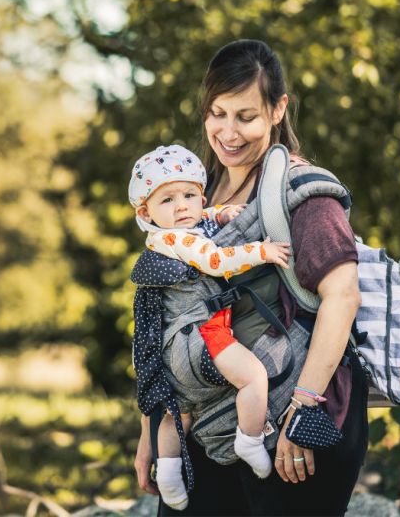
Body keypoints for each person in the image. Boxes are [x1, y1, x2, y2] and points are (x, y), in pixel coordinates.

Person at [132, 40, 368, 516]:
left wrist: (303, 412)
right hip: (206, 422)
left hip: (290, 420)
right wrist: (151, 428)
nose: (227, 131)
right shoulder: (198, 196)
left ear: (278, 109)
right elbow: (162, 310)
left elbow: (342, 296)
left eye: (245, 116)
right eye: (217, 113)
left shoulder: (303, 190)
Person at [128, 144, 293, 510]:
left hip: (174, 350)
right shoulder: (178, 239)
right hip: (203, 336)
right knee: (253, 378)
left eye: (190, 195)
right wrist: (261, 252)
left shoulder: (165, 235)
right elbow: (216, 260)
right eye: (168, 200)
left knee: (178, 412)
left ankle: (169, 475)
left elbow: (200, 220)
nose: (183, 206)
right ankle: (249, 439)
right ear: (146, 211)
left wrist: (220, 214)